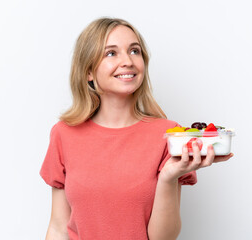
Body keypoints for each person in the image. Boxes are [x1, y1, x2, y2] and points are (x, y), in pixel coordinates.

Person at [40, 17, 233, 240]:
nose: (128, 61)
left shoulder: (170, 135)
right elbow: (57, 228)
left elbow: (163, 237)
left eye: (134, 51)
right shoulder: (63, 134)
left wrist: (169, 178)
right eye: (111, 53)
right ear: (88, 72)